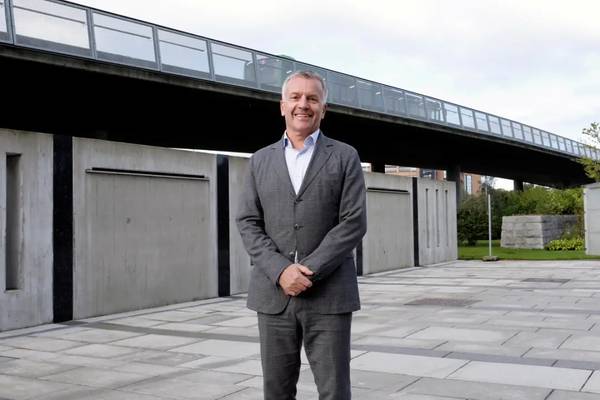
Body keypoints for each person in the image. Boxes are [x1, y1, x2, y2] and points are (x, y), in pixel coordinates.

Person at [236, 70, 367, 400]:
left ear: (324, 109)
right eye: (295, 97)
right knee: (276, 392)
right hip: (272, 297)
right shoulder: (259, 161)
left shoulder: (345, 156)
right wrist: (282, 271)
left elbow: (352, 222)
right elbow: (248, 222)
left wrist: (306, 272)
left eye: (312, 98)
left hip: (329, 296)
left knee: (334, 391)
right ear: (282, 105)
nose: (303, 105)